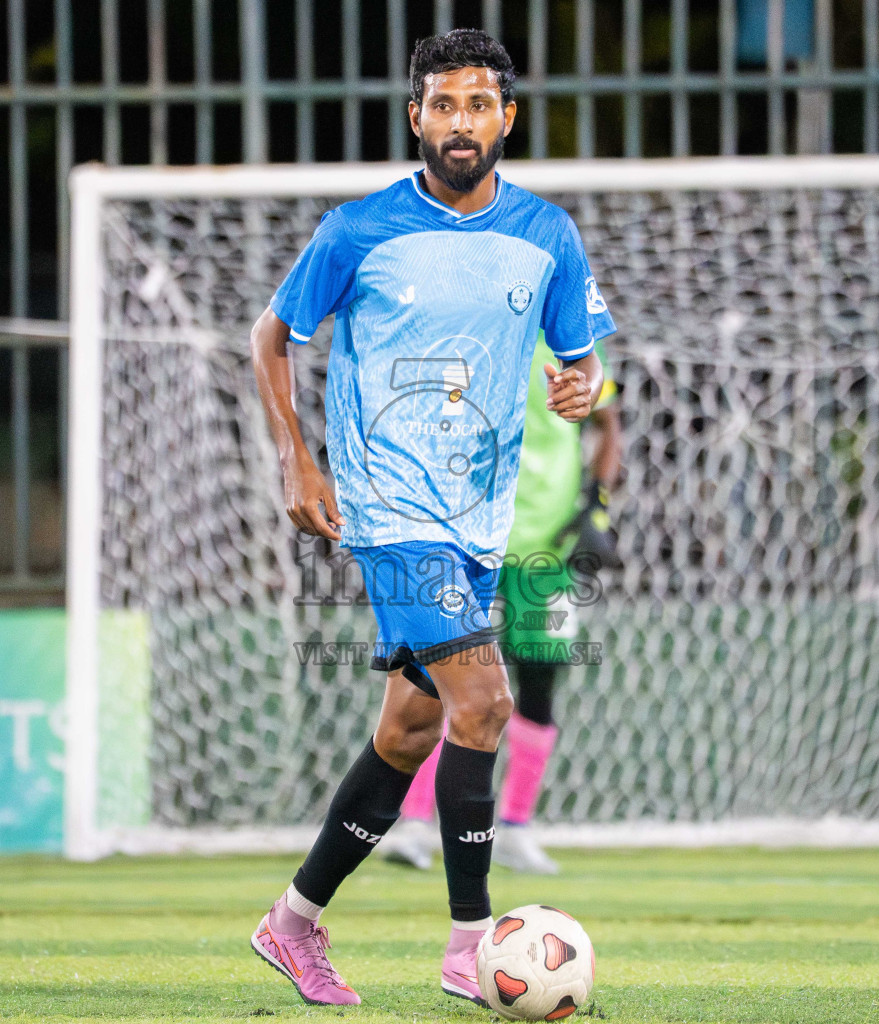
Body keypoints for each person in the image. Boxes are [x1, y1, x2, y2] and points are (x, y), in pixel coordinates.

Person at [247, 28, 614, 1008]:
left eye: (478, 105)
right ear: (417, 116)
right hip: (390, 505)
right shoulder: (358, 229)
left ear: (508, 117)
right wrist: (295, 454)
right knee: (484, 702)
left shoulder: (547, 235)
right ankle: (469, 944)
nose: (460, 123)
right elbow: (272, 334)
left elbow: (584, 359)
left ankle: (292, 921)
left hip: (480, 520)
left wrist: (584, 387)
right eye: (442, 105)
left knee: (408, 734)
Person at [380, 332, 621, 875]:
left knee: (539, 679)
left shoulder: (570, 347)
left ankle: (514, 827)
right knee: (444, 680)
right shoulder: (465, 335)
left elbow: (609, 425)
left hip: (547, 545)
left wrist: (597, 506)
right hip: (467, 540)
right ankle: (417, 823)